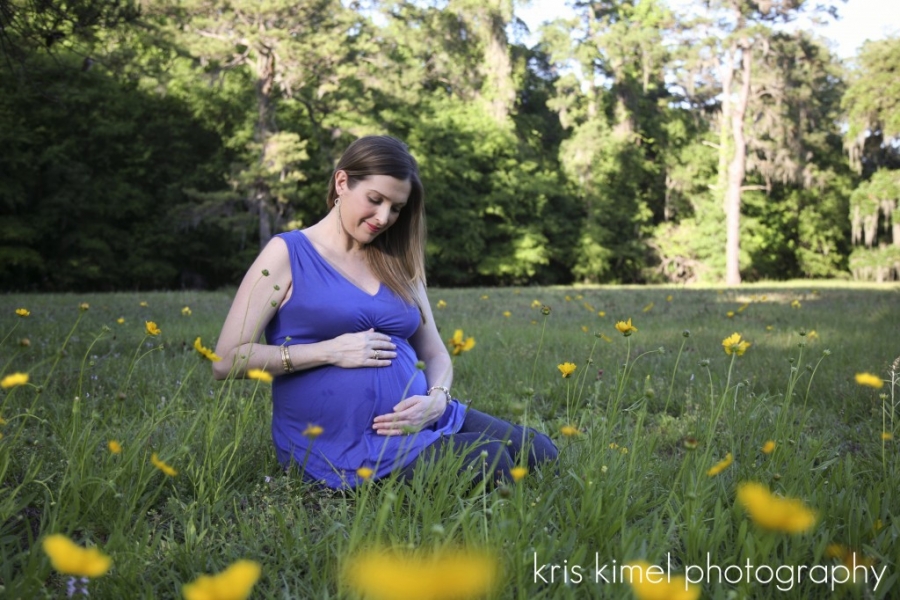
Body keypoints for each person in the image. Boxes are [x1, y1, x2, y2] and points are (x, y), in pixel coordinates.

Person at [213, 135, 557, 488]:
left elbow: (435, 351)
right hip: (342, 443)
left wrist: (437, 399)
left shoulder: (398, 260)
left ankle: (440, 433)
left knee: (541, 452)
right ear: (342, 182)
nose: (383, 218)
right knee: (492, 461)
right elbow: (226, 360)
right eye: (375, 200)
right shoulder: (288, 253)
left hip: (424, 418)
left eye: (395, 208)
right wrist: (328, 351)